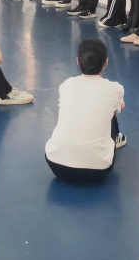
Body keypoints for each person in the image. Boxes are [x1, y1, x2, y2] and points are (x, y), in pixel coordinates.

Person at [45, 38, 126, 183]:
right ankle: (117, 138)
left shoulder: (66, 85)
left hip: (56, 165)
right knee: (112, 111)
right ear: (106, 62)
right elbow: (117, 110)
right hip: (98, 170)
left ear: (78, 61)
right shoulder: (116, 88)